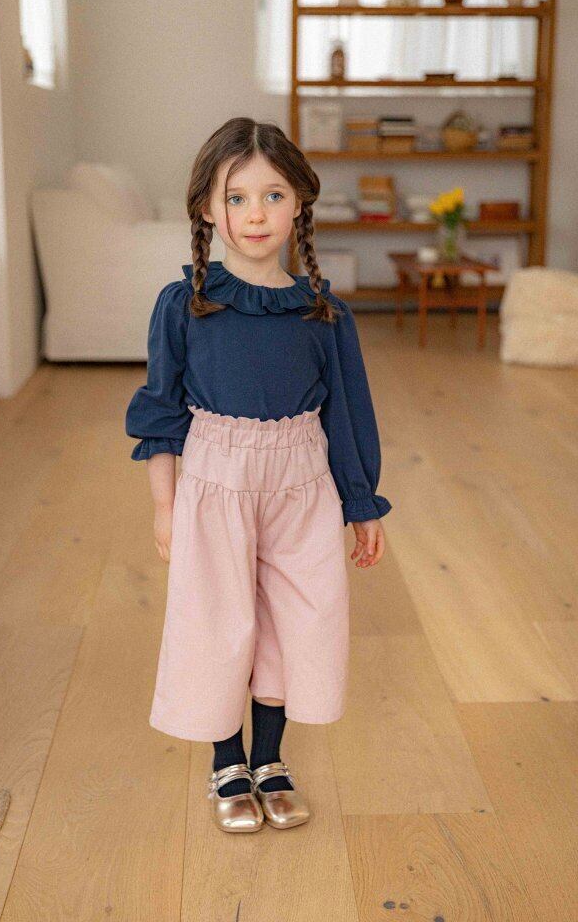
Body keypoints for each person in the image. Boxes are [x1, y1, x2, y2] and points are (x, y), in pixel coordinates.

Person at [125, 117, 392, 834]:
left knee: (296, 620)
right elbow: (160, 416)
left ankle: (270, 759)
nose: (255, 214)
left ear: (300, 201)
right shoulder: (184, 305)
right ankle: (227, 762)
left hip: (303, 485)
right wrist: (164, 507)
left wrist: (361, 504)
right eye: (236, 197)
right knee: (219, 621)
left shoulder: (324, 312)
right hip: (215, 481)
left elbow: (347, 415)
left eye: (273, 195)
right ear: (208, 209)